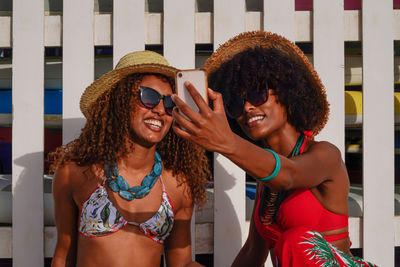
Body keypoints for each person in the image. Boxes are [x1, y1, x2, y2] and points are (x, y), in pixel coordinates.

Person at [171, 31, 376, 266]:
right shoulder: (265, 182)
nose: (247, 107)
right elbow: (252, 254)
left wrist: (226, 142)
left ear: (287, 93)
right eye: (236, 103)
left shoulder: (325, 155)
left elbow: (287, 175)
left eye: (257, 94)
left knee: (296, 240)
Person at [50, 51, 210, 267]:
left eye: (169, 103)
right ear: (121, 100)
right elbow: (64, 256)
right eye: (149, 97)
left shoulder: (178, 185)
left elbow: (180, 264)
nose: (161, 110)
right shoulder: (75, 173)